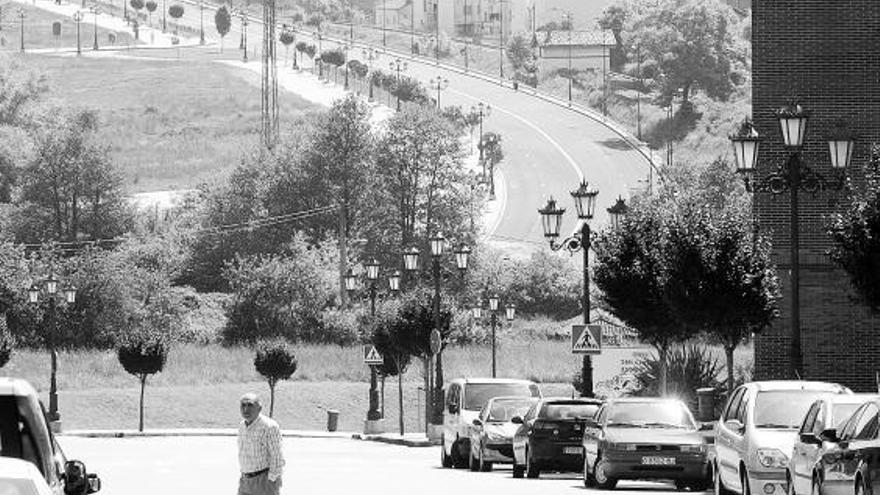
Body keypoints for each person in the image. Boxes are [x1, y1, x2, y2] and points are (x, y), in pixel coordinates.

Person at [237, 393, 284, 495]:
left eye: (250, 405)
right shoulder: (242, 426)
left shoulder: (269, 426)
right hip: (245, 480)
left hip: (263, 481)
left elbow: (277, 459)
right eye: (243, 405)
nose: (246, 409)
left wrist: (270, 481)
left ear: (259, 408)